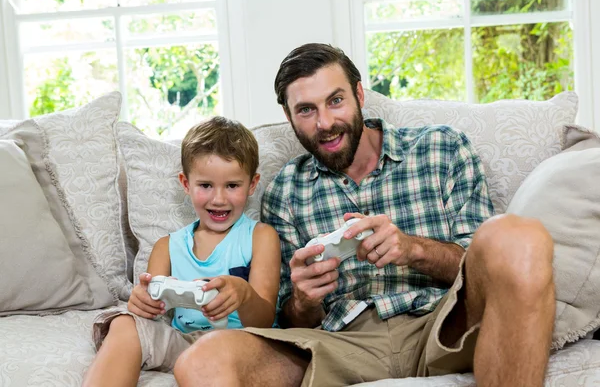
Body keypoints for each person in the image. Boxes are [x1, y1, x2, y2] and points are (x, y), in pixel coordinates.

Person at [173, 44, 556, 387]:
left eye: (335, 100)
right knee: (202, 361)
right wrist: (305, 299)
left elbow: (485, 268)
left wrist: (412, 249)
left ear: (359, 94)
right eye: (306, 110)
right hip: (343, 341)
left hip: (443, 321)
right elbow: (288, 321)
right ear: (290, 118)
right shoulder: (287, 190)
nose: (324, 123)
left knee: (519, 236)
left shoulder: (442, 149)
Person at [82, 116, 281, 386]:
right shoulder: (167, 247)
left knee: (215, 354)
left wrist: (244, 295)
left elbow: (265, 321)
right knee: (124, 323)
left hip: (239, 345)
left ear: (252, 184)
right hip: (183, 343)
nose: (219, 198)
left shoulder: (260, 237)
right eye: (206, 185)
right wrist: (142, 302)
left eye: (232, 185)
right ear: (186, 184)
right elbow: (154, 313)